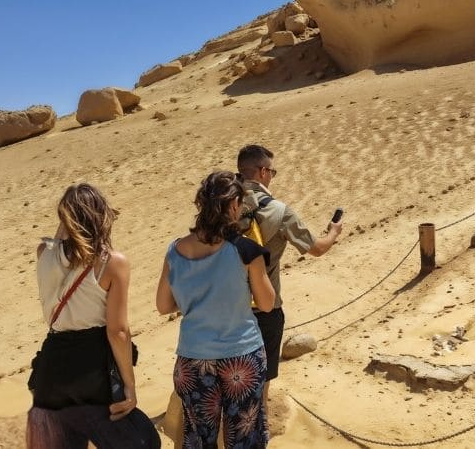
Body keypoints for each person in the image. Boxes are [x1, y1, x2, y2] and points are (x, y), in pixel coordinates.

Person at [27, 183, 159, 449]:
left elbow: (61, 246)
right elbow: (118, 331)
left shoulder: (44, 254)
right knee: (144, 442)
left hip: (51, 369)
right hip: (93, 372)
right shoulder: (112, 263)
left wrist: (66, 219)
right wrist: (130, 388)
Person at [156, 170, 275, 448]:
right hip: (241, 357)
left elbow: (163, 306)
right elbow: (267, 303)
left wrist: (193, 300)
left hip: (193, 360)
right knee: (244, 436)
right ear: (233, 204)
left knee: (198, 438)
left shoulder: (175, 251)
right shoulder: (246, 250)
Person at [236, 144, 343, 406]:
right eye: (272, 171)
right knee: (259, 382)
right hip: (264, 308)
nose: (272, 176)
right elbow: (316, 249)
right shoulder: (279, 211)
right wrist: (333, 232)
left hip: (222, 307)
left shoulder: (220, 205)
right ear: (262, 172)